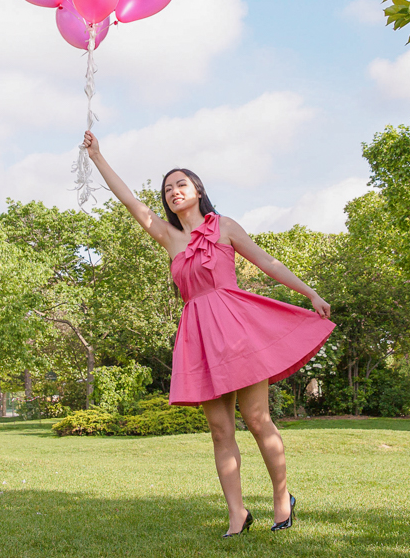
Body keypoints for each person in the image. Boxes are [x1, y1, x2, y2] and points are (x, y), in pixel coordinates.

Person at [83, 131, 335, 537]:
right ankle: (237, 514)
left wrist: (310, 293)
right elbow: (130, 200)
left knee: (256, 418)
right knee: (220, 430)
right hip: (199, 338)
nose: (173, 192)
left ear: (198, 190)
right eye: (167, 189)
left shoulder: (225, 227)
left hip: (238, 330)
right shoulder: (168, 237)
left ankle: (281, 499)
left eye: (181, 184)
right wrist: (97, 157)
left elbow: (268, 262)